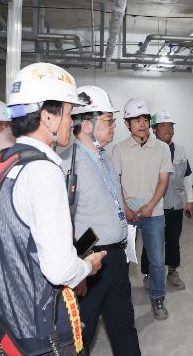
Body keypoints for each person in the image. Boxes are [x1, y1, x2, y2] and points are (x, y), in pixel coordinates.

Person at [0, 63, 106, 355]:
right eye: (69, 113)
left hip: (4, 319)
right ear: (49, 116)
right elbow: (59, 269)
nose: (71, 122)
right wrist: (87, 267)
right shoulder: (43, 172)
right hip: (39, 329)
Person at [61, 85, 140, 355]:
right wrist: (77, 269)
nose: (114, 127)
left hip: (116, 257)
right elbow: (63, 221)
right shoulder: (68, 163)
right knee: (81, 333)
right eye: (108, 121)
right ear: (86, 125)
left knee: (124, 325)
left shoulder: (105, 157)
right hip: (89, 260)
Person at [112, 98, 173, 320]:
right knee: (123, 260)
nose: (142, 124)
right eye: (136, 120)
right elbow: (116, 183)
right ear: (126, 124)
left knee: (156, 260)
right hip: (127, 214)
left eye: (145, 119)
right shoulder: (119, 149)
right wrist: (126, 209)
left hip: (154, 213)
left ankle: (158, 297)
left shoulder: (162, 148)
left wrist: (150, 206)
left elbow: (163, 181)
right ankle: (120, 299)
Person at [141, 110, 193, 290]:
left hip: (175, 205)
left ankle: (172, 272)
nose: (168, 129)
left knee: (173, 241)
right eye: (163, 125)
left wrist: (190, 199)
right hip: (154, 206)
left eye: (170, 125)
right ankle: (148, 274)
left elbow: (186, 175)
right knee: (151, 241)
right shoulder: (147, 150)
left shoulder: (180, 150)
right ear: (154, 129)